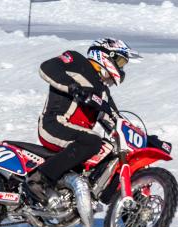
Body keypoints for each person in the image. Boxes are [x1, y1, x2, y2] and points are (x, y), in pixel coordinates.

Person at [28, 38, 141, 202]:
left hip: (78, 136)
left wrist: (146, 139)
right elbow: (47, 67)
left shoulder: (102, 92)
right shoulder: (76, 61)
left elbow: (116, 120)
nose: (121, 68)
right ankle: (39, 178)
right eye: (120, 61)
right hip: (55, 124)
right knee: (93, 141)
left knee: (110, 151)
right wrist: (74, 88)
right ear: (105, 55)